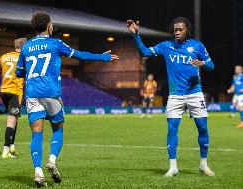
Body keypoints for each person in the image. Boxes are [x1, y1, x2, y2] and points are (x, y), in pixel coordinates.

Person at [15, 13, 119, 187]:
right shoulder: (56, 43)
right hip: (51, 93)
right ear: (48, 25)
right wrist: (103, 57)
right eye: (52, 24)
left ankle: (38, 172)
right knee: (58, 129)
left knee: (36, 134)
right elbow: (80, 55)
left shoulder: (26, 47)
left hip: (32, 94)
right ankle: (52, 161)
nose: (53, 26)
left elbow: (19, 72)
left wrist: (34, 73)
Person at [127, 17, 215, 177]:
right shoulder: (166, 46)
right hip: (175, 96)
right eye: (175, 30)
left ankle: (203, 164)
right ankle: (173, 167)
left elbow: (211, 65)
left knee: (202, 128)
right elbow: (144, 52)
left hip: (195, 93)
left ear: (187, 30)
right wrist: (136, 35)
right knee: (172, 130)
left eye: (180, 29)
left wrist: (201, 63)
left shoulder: (197, 46)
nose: (177, 32)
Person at [0, 38, 27, 158]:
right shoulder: (24, 58)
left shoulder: (4, 56)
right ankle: (6, 150)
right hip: (15, 92)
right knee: (12, 120)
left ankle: (12, 146)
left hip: (3, 92)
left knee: (15, 118)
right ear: (24, 46)